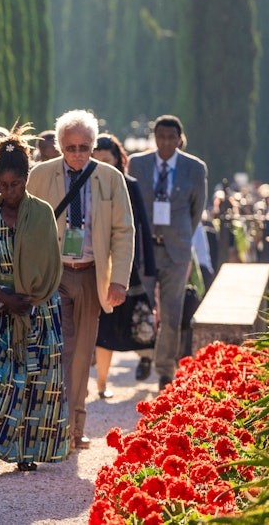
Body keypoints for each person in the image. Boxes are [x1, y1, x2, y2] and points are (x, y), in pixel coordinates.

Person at [0, 131, 69, 474]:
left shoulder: (43, 213)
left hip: (38, 308)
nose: (10, 191)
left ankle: (25, 451)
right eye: (3, 185)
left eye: (16, 184)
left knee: (35, 380)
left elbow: (51, 265)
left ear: (26, 179)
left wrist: (29, 300)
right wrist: (5, 297)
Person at [27, 109, 134, 451]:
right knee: (60, 349)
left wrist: (118, 281)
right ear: (59, 145)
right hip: (54, 274)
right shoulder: (41, 176)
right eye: (70, 147)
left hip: (91, 274)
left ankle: (75, 426)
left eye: (83, 147)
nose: (77, 154)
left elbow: (123, 231)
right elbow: (26, 227)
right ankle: (56, 424)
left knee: (83, 350)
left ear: (92, 145)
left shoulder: (110, 178)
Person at [128, 115, 207, 392]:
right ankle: (145, 355)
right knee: (142, 307)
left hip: (176, 251)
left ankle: (165, 369)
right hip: (145, 249)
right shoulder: (138, 163)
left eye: (171, 137)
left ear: (179, 139)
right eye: (160, 136)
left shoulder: (194, 168)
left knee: (171, 313)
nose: (165, 142)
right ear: (154, 137)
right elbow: (131, 205)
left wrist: (180, 236)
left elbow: (196, 211)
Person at [91, 134, 156, 398]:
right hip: (95, 263)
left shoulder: (129, 184)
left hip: (125, 264)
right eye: (98, 161)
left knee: (138, 317)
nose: (102, 166)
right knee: (104, 326)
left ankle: (146, 359)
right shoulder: (86, 184)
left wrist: (146, 264)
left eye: (107, 160)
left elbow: (141, 226)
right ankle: (102, 384)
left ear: (117, 159)